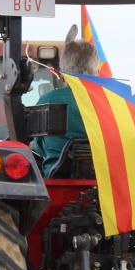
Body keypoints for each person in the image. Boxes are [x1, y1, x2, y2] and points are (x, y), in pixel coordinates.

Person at [33, 41, 100, 176]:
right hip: (105, 182)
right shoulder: (110, 103)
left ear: (63, 71)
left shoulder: (48, 100)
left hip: (57, 179)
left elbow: (38, 148)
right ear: (96, 71)